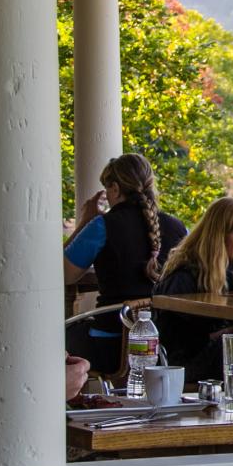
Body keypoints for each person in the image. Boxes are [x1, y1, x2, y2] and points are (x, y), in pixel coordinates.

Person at [63, 154, 187, 371]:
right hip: (165, 344)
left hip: (111, 344)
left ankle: (79, 400)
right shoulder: (178, 228)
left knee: (63, 334)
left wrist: (84, 221)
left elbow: (66, 275)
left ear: (116, 189)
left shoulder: (103, 225)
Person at [154, 197, 233, 382]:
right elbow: (170, 341)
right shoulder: (185, 276)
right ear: (218, 236)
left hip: (226, 353)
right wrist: (220, 335)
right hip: (185, 364)